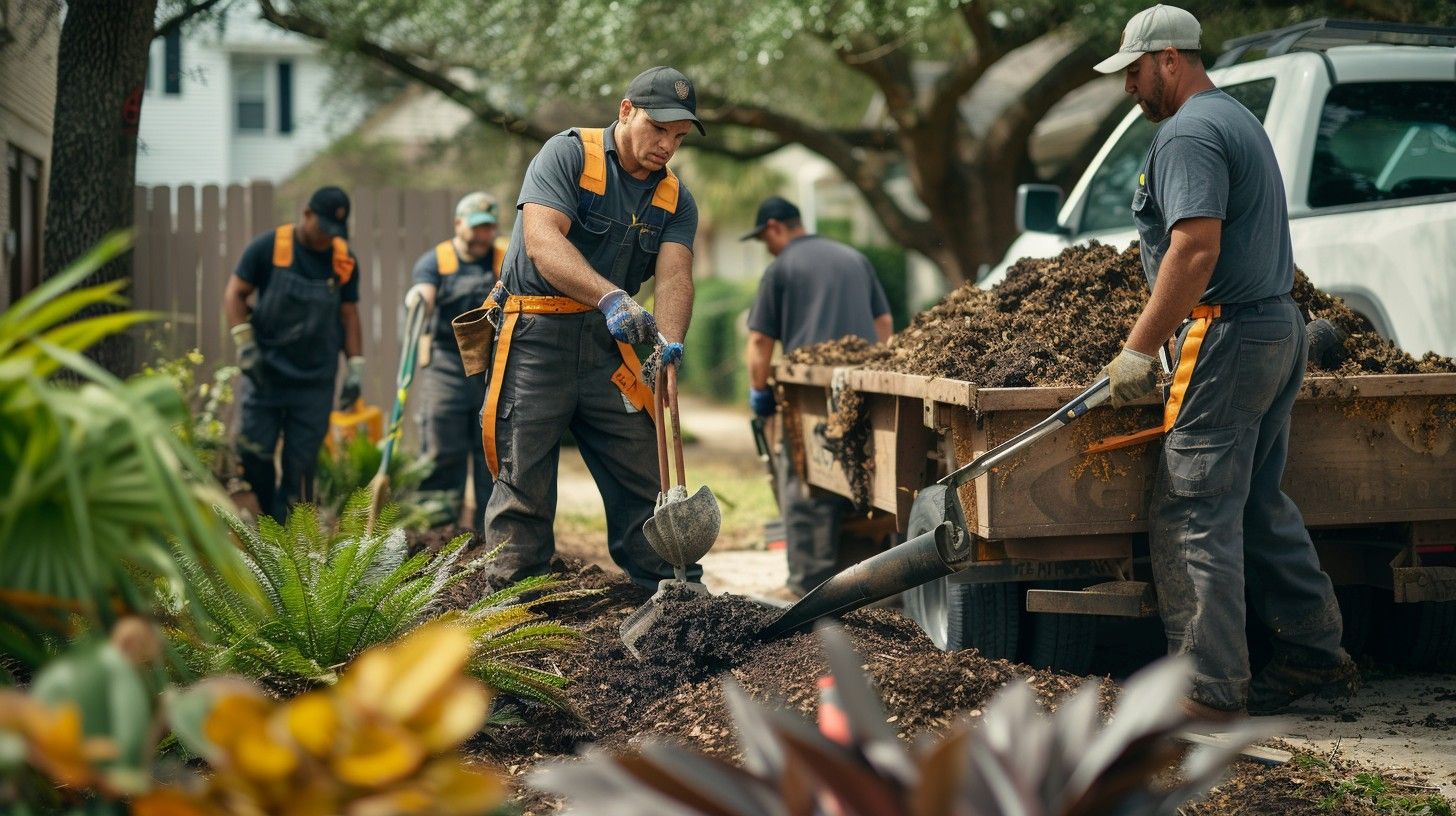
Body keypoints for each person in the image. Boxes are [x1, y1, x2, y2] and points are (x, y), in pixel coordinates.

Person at [1094, 4, 1356, 718]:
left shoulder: (1187, 133)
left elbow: (1195, 249)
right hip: (1275, 326)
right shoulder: (1236, 119)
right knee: (1259, 504)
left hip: (1227, 335)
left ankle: (1210, 690)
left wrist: (1138, 348)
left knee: (1193, 509)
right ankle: (1313, 656)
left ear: (1170, 59)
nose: (1130, 88)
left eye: (1135, 71)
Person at [466, 66, 703, 590]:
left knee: (644, 474)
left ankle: (674, 595)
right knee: (523, 477)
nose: (667, 146)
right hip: (534, 338)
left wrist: (667, 343)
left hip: (605, 349)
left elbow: (675, 277)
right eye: (658, 129)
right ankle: (514, 604)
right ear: (625, 111)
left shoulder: (675, 199)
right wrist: (610, 296)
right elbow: (543, 242)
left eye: (678, 137)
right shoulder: (566, 156)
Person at [743, 196, 892, 597]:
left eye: (765, 239)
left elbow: (759, 340)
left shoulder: (782, 268)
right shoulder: (854, 258)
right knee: (865, 479)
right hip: (864, 388)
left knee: (804, 482)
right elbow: (884, 323)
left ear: (775, 227)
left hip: (809, 394)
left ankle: (806, 586)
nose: (768, 248)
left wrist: (759, 392)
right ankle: (872, 582)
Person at [225, 185, 364, 521]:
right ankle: (267, 510)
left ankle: (284, 536)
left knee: (300, 465)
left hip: (314, 379)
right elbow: (236, 294)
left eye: (334, 232)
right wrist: (245, 345)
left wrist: (355, 365)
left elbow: (348, 313)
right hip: (266, 372)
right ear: (306, 214)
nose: (326, 238)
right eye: (322, 229)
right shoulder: (270, 248)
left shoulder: (342, 259)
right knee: (253, 451)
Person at [405, 192, 509, 530]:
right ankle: (435, 534)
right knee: (441, 448)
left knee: (489, 451)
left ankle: (488, 533)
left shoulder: (503, 258)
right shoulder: (437, 260)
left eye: (488, 228)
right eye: (476, 227)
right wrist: (417, 299)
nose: (482, 235)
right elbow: (425, 295)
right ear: (458, 224)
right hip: (445, 365)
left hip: (493, 368)